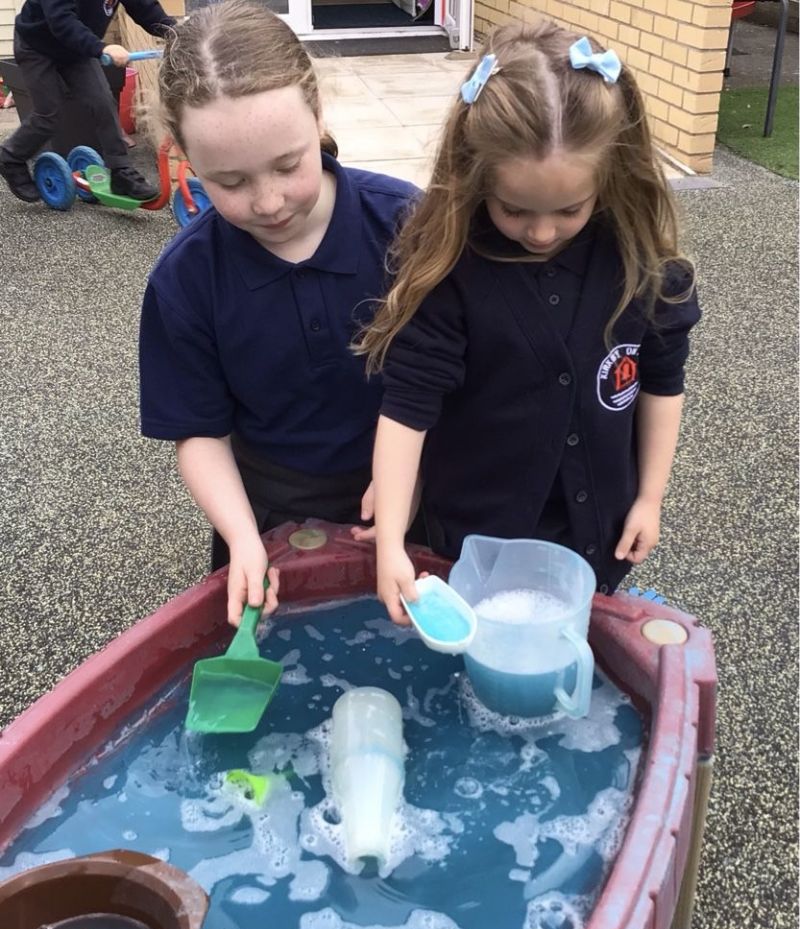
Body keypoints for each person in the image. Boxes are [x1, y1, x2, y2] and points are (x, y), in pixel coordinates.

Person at [355, 21, 702, 625]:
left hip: (595, 531)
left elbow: (661, 381)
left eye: (570, 209)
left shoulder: (642, 262)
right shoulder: (450, 273)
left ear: (612, 176)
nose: (542, 232)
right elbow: (408, 406)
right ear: (475, 175)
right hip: (475, 538)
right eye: (514, 208)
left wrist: (650, 497)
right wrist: (390, 543)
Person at [139, 0, 418, 626]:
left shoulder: (408, 226)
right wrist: (240, 537)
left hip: (414, 488)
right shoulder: (185, 279)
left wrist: (414, 479)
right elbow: (199, 431)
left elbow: (467, 369)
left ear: (317, 115)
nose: (267, 202)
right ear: (184, 155)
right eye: (229, 182)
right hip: (269, 508)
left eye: (289, 165)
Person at [0, 0, 175, 203]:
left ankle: (121, 171)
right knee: (49, 114)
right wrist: (101, 48)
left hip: (75, 49)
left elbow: (144, 8)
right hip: (37, 46)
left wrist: (176, 32)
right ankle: (10, 157)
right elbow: (61, 20)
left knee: (102, 102)